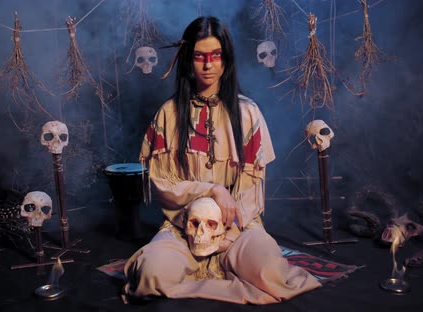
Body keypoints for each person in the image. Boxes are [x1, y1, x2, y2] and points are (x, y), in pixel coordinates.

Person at [122, 16, 321, 304]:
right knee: (150, 276)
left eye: (215, 56)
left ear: (226, 59)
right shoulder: (168, 114)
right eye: (200, 57)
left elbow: (254, 188)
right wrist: (210, 191)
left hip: (238, 228)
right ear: (188, 60)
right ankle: (203, 272)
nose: (207, 65)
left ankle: (216, 268)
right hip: (183, 228)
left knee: (272, 273)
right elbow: (162, 183)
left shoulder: (248, 113)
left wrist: (230, 230)